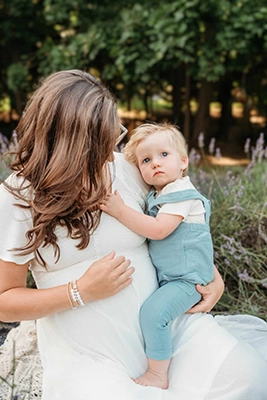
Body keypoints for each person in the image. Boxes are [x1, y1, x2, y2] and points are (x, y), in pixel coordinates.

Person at [0, 69, 266, 400]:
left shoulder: (128, 171)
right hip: (89, 352)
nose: (112, 149)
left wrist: (210, 274)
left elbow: (178, 225)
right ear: (71, 141)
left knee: (247, 375)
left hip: (164, 332)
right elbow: (4, 301)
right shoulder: (17, 196)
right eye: (103, 140)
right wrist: (79, 291)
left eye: (115, 134)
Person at [100, 122, 215, 389]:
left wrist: (120, 211)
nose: (156, 164)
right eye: (146, 160)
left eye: (164, 155)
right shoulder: (160, 193)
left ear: (184, 161)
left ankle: (157, 375)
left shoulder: (180, 194)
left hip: (188, 281)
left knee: (153, 314)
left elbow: (159, 230)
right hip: (175, 277)